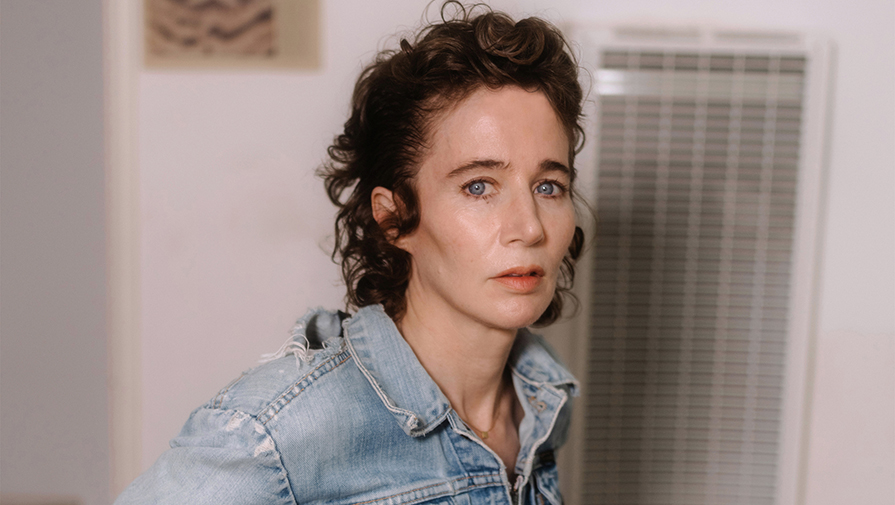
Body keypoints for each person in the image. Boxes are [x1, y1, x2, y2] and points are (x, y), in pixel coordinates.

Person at [114, 2, 585, 503]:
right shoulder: (274, 430)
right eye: (478, 187)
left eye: (549, 186)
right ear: (394, 218)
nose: (530, 227)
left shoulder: (543, 394)